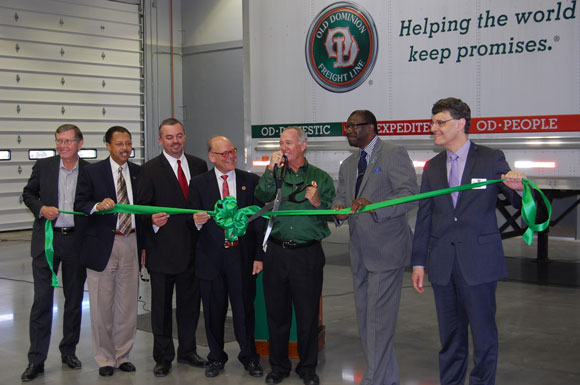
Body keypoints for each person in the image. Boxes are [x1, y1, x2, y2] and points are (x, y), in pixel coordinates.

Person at [411, 97, 525, 385]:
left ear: (460, 124)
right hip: (443, 265)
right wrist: (418, 263)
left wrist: (519, 188)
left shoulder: (490, 158)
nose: (433, 127)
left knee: (484, 337)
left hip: (479, 264)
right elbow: (424, 218)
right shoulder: (433, 166)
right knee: (450, 338)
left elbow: (515, 201)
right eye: (433, 122)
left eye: (440, 122)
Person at [332, 110, 419, 385]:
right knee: (368, 322)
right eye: (346, 127)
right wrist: (338, 211)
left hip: (386, 250)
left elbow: (409, 195)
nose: (347, 131)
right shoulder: (348, 164)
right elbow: (342, 199)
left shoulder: (393, 153)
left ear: (370, 128)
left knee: (378, 323)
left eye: (353, 126)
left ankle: (374, 379)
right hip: (359, 253)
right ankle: (387, 378)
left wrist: (375, 207)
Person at [254, 127, 335, 385]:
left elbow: (333, 214)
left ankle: (308, 368)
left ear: (303, 145)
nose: (284, 147)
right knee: (277, 314)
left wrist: (317, 203)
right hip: (277, 253)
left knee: (307, 314)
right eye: (281, 143)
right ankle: (278, 367)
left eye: (288, 143)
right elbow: (261, 197)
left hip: (307, 255)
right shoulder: (276, 173)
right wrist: (270, 170)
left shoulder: (320, 178)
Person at [135, 118, 208, 377]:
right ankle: (163, 357)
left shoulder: (199, 165)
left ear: (185, 136)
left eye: (179, 136)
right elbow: (141, 208)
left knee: (190, 306)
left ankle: (188, 350)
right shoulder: (149, 170)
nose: (175, 141)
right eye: (169, 137)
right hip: (162, 251)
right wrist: (150, 220)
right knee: (161, 309)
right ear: (160, 140)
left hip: (194, 250)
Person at [190, 136, 265, 378]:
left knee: (244, 311)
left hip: (241, 258)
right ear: (212, 157)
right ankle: (216, 357)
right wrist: (196, 222)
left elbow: (258, 224)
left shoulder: (250, 181)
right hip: (210, 260)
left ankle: (249, 356)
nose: (231, 156)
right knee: (213, 312)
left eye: (232, 151)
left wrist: (258, 256)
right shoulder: (199, 184)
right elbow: (189, 221)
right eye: (224, 153)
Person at [21, 124, 88, 381]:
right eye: (59, 141)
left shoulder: (90, 171)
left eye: (68, 141)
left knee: (73, 301)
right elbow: (28, 194)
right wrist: (41, 209)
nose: (62, 146)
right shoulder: (44, 167)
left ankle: (68, 350)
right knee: (41, 302)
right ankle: (36, 359)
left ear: (80, 144)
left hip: (76, 243)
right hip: (46, 242)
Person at [74, 125, 143, 377]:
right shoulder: (92, 172)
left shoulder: (138, 172)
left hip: (132, 242)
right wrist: (96, 206)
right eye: (119, 144)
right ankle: (104, 358)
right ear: (107, 145)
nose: (125, 148)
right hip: (103, 244)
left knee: (126, 305)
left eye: (128, 143)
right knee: (102, 305)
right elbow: (80, 204)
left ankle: (122, 354)